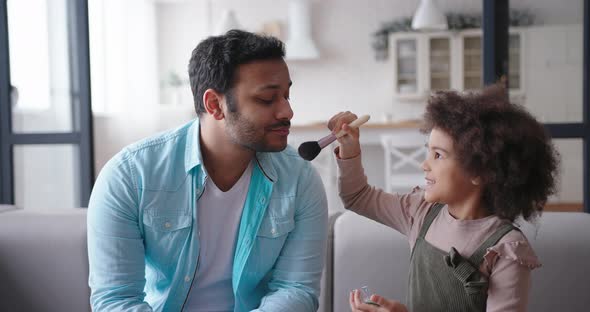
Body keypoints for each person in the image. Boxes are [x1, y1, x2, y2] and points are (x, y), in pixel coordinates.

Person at [87, 30, 328, 312]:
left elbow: (296, 289)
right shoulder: (129, 176)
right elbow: (116, 301)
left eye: (287, 95)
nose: (287, 111)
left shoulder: (300, 178)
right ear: (215, 105)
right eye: (267, 99)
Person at [329, 85, 559, 312]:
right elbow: (357, 196)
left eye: (438, 155)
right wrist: (349, 147)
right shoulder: (420, 212)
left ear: (478, 171)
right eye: (428, 152)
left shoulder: (505, 249)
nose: (424, 164)